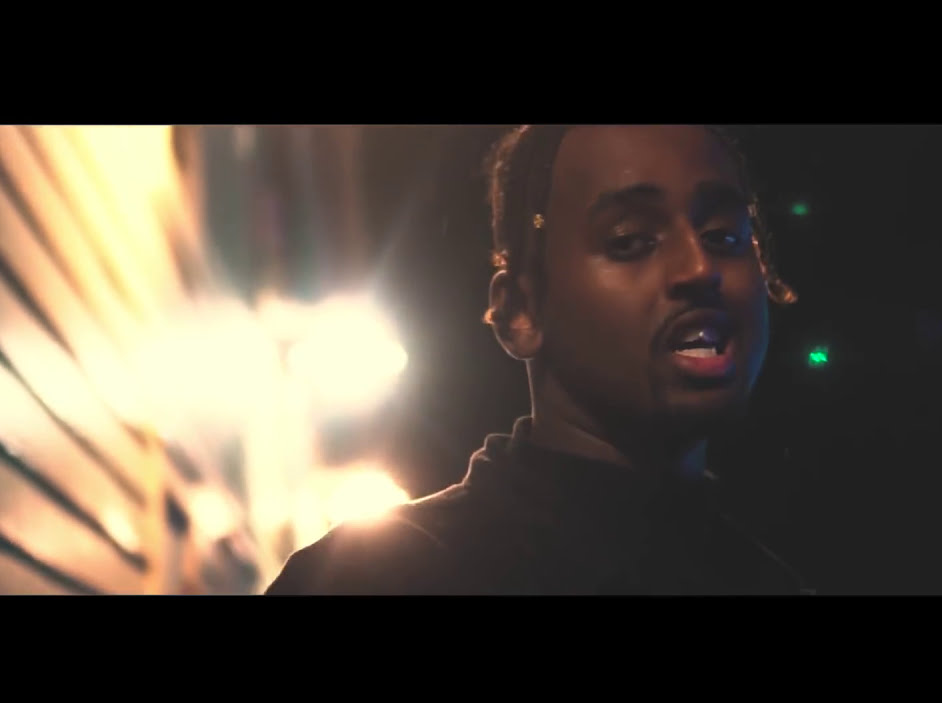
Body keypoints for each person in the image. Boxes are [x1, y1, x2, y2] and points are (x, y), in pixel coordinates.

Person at [265, 125, 808, 595]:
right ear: (519, 312)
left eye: (725, 236)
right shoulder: (373, 578)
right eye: (631, 240)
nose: (699, 268)